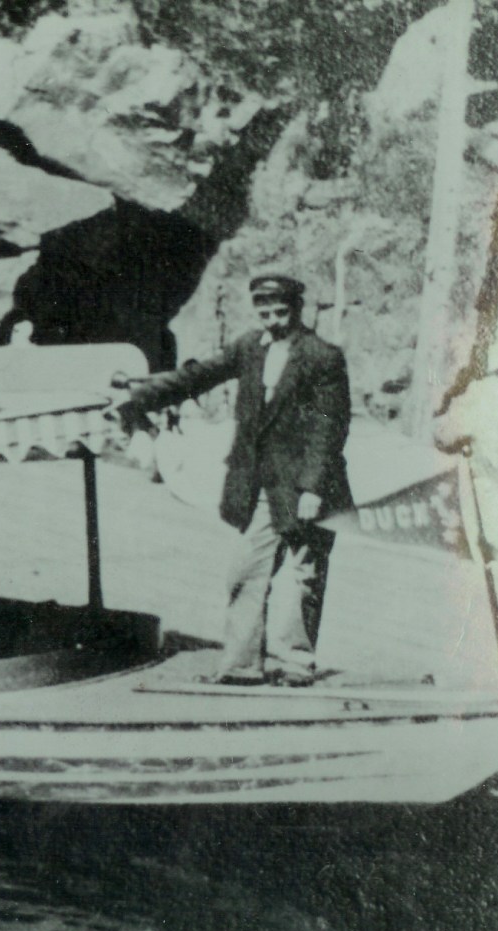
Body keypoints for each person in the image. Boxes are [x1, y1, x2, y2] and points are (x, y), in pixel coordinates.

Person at [118, 274, 354, 685]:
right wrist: (142, 397)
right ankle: (242, 666)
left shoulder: (323, 356)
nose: (270, 315)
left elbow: (328, 428)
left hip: (311, 486)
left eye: (279, 306)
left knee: (304, 574)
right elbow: (199, 376)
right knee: (246, 570)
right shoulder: (249, 348)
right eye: (263, 306)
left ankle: (295, 663)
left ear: (296, 307)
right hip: (263, 486)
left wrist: (313, 488)